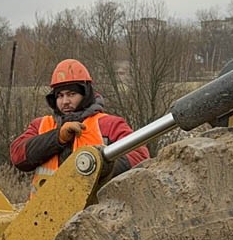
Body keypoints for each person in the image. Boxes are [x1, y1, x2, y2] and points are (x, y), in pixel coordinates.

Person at [10, 58, 149, 195]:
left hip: (93, 213)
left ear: (86, 94)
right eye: (60, 95)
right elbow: (18, 155)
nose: (65, 101)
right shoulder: (41, 125)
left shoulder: (109, 124)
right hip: (42, 214)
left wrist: (98, 167)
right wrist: (58, 138)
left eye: (72, 94)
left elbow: (140, 156)